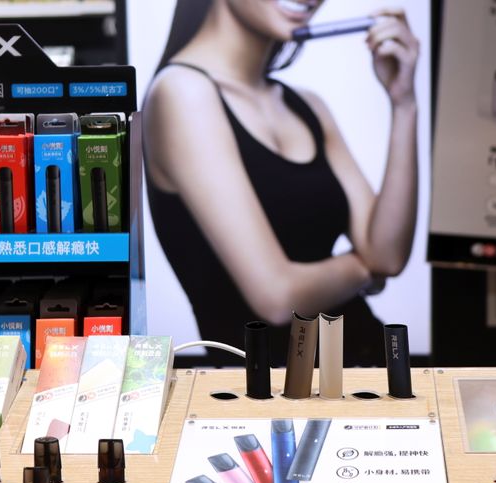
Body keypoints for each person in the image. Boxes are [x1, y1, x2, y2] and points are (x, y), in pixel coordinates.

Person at [142, 0, 419, 366]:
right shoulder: (181, 93)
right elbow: (277, 297)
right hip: (271, 397)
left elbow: (388, 254)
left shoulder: (306, 105)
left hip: (366, 374)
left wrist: (403, 102)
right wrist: (365, 271)